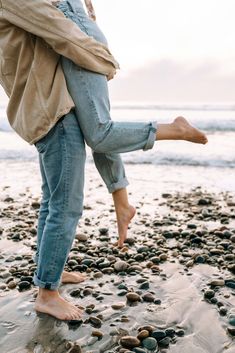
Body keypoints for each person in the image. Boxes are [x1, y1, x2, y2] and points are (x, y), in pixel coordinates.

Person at [0, 0, 208, 321]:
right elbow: (58, 31)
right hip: (51, 108)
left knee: (55, 199)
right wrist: (103, 59)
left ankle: (49, 275)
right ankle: (47, 292)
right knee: (64, 203)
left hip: (51, 103)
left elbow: (60, 30)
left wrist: (97, 54)